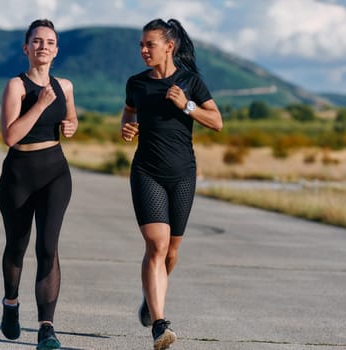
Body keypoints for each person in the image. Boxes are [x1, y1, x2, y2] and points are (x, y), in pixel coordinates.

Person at [120, 18, 222, 350]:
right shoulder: (136, 82)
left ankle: (152, 301)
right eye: (141, 45)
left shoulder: (190, 82)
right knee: (157, 244)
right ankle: (160, 324)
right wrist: (127, 127)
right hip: (146, 172)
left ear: (169, 46)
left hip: (182, 175)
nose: (143, 50)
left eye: (149, 44)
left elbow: (217, 122)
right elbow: (128, 113)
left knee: (172, 252)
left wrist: (187, 105)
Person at [0, 19, 77, 350]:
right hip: (19, 175)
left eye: (50, 42)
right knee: (17, 246)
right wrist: (41, 104)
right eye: (37, 41)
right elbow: (10, 136)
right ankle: (11, 304)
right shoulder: (16, 86)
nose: (43, 46)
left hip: (55, 172)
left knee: (48, 247)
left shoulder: (66, 86)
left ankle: (47, 329)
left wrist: (70, 126)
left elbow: (70, 118)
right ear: (26, 48)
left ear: (56, 50)